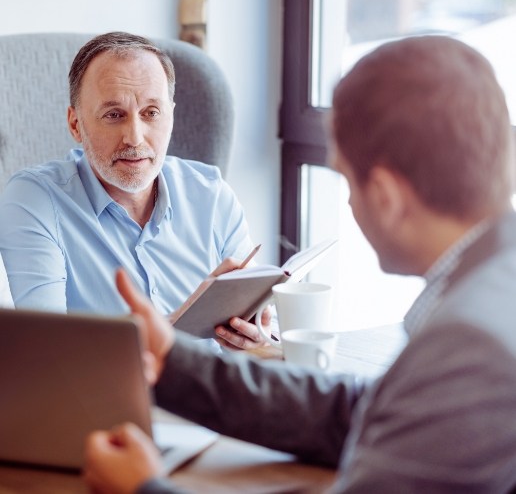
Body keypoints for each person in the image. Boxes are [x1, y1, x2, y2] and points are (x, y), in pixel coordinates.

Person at [84, 35, 516, 493]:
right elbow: (361, 411)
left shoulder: (470, 342)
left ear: (387, 197)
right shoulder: (492, 285)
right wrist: (173, 359)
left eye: (346, 180)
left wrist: (143, 489)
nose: (349, 202)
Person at [0, 31, 270, 349]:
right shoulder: (34, 200)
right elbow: (47, 351)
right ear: (75, 124)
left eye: (151, 113)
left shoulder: (211, 194)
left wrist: (256, 338)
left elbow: (264, 334)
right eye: (114, 115)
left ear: (170, 115)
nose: (135, 138)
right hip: (105, 398)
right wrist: (185, 322)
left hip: (216, 394)